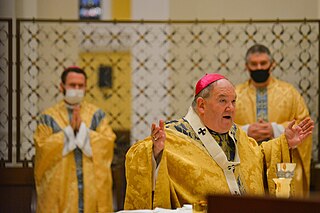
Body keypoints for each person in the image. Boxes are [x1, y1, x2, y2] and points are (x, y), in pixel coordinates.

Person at [124, 73, 314, 210]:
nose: (230, 108)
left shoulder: (235, 133)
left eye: (233, 101)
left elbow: (257, 157)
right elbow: (137, 158)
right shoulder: (173, 135)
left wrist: (284, 143)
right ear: (202, 105)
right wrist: (155, 152)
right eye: (223, 101)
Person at [34, 66, 116, 213]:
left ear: (86, 88)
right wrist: (69, 132)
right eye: (72, 85)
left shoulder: (97, 115)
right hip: (60, 189)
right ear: (62, 86)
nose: (77, 89)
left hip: (91, 188)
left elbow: (107, 143)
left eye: (80, 86)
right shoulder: (48, 117)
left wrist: (83, 131)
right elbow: (42, 148)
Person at [234, 44, 312, 197]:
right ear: (246, 66)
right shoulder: (235, 94)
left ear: (272, 64)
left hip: (282, 163)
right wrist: (246, 131)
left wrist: (275, 130)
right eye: (254, 64)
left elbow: (304, 124)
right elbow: (218, 125)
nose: (259, 67)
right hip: (247, 162)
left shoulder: (289, 93)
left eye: (263, 63)